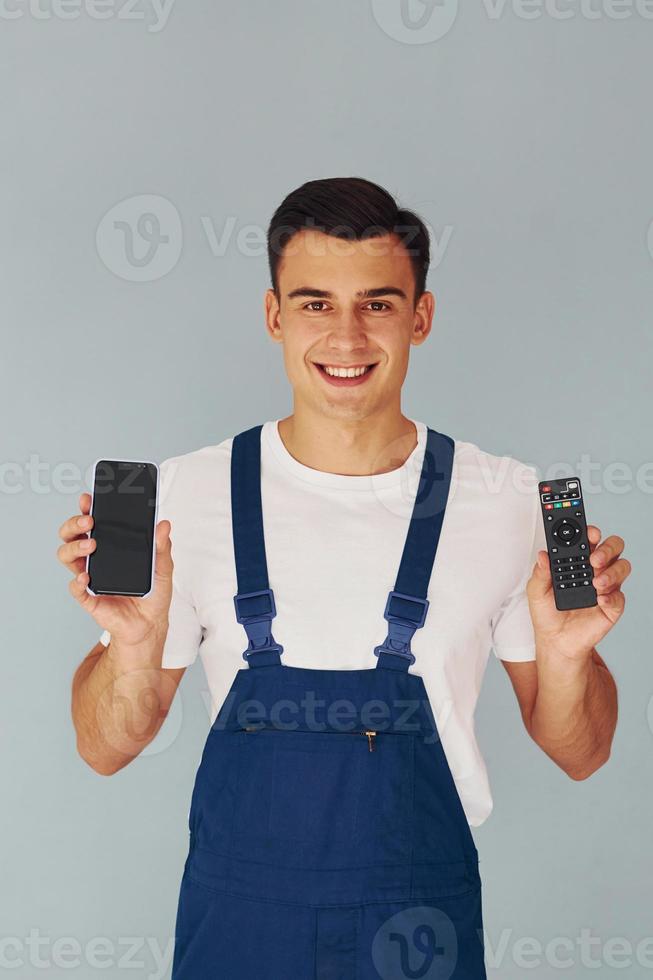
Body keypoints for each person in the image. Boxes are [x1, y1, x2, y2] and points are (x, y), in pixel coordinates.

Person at [58, 177, 629, 979]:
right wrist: (131, 646)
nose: (347, 336)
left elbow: (582, 752)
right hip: (240, 932)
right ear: (274, 316)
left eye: (378, 303)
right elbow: (103, 748)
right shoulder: (181, 497)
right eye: (316, 303)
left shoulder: (504, 500)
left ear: (420, 317)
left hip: (417, 934)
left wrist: (570, 656)